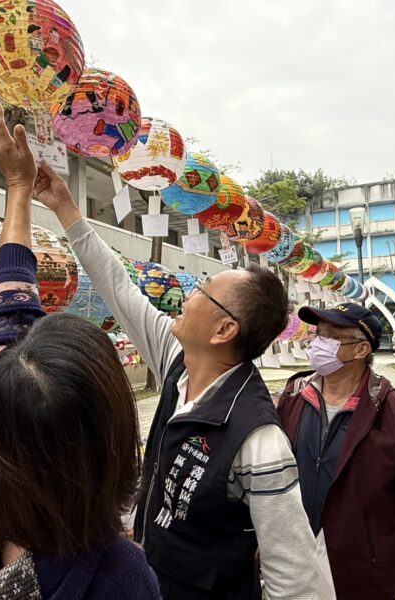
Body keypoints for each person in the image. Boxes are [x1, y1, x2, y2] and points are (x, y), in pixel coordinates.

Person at [0, 101, 160, 600]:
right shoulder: (123, 578)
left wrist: (19, 187)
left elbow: (12, 304)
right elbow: (14, 310)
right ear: (108, 449)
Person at [33, 165, 318, 598]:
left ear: (223, 331)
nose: (189, 294)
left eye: (203, 293)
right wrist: (66, 208)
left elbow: (292, 573)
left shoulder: (259, 440)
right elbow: (121, 290)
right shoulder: (176, 360)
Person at [276, 303, 395, 600]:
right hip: (294, 565)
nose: (318, 343)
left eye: (331, 336)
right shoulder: (293, 397)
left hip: (363, 573)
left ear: (361, 350)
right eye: (318, 334)